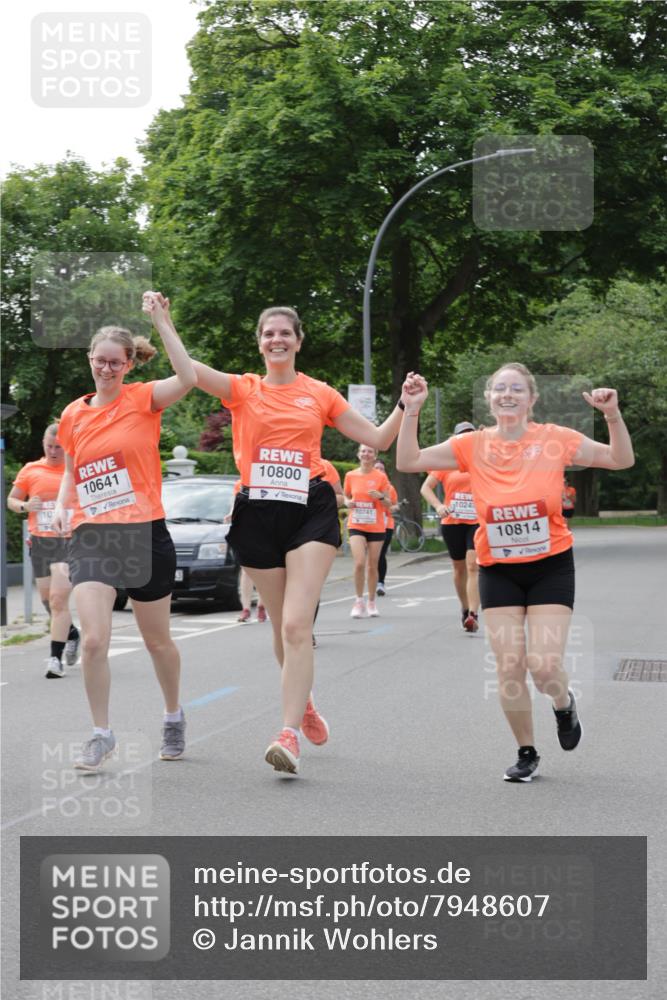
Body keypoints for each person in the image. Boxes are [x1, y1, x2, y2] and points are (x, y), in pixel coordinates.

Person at [184, 301, 406, 775]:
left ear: (298, 341)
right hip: (257, 513)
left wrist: (408, 405)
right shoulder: (242, 389)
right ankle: (302, 701)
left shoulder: (318, 393)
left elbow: (379, 438)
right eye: (268, 333)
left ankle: (287, 734)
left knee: (295, 625)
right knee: (280, 622)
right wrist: (162, 321)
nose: (277, 340)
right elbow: (186, 369)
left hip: (310, 508)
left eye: (285, 332)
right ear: (260, 342)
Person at [397, 363, 634, 783]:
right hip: (497, 569)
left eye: (517, 389)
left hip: (549, 566)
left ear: (532, 398)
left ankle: (563, 703)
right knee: (509, 667)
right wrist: (411, 408)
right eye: (499, 388)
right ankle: (526, 752)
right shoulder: (471, 444)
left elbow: (620, 459)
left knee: (543, 667)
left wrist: (611, 415)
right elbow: (409, 459)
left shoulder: (555, 439)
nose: (507, 394)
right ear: (489, 398)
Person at [52, 294, 196, 770]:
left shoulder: (144, 398)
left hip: (145, 532)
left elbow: (190, 378)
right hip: (93, 533)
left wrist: (162, 320)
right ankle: (101, 733)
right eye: (101, 362)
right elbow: (72, 469)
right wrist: (60, 505)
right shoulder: (73, 414)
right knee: (94, 640)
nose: (108, 369)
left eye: (116, 362)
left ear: (129, 364)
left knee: (157, 641)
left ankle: (173, 715)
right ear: (90, 361)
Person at [8, 423, 80, 677]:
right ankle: (71, 633)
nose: (53, 451)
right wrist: (26, 506)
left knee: (60, 599)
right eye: (49, 446)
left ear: (67, 446)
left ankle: (54, 659)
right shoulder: (31, 470)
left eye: (58, 447)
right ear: (43, 445)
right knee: (48, 601)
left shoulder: (76, 470)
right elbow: (12, 500)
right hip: (41, 542)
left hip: (68, 541)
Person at [420, 421, 480, 632]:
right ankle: (464, 608)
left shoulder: (483, 461)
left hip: (476, 521)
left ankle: (473, 614)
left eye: (470, 434)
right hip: (452, 521)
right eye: (462, 435)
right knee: (459, 568)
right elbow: (425, 488)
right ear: (455, 439)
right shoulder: (446, 463)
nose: (467, 438)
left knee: (473, 565)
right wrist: (438, 506)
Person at [343, 446, 392, 618]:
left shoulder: (381, 476)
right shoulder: (350, 475)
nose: (366, 454)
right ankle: (358, 600)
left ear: (375, 456)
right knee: (359, 563)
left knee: (372, 565)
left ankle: (371, 601)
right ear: (358, 454)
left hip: (376, 526)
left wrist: (380, 496)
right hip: (356, 524)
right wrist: (347, 502)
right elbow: (346, 495)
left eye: (370, 451)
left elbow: (388, 503)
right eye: (363, 451)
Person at [225, 481, 266, 623]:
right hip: (247, 529)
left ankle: (262, 606)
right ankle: (246, 608)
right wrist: (231, 514)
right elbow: (235, 502)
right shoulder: (241, 483)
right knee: (246, 569)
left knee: (264, 568)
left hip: (265, 530)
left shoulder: (266, 480)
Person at [373, 459, 398, 597]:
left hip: (385, 524)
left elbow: (394, 505)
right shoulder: (365, 484)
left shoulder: (389, 488)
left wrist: (391, 507)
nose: (379, 471)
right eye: (376, 468)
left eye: (381, 468)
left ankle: (380, 582)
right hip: (369, 524)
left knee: (380, 554)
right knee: (372, 555)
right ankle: (373, 580)